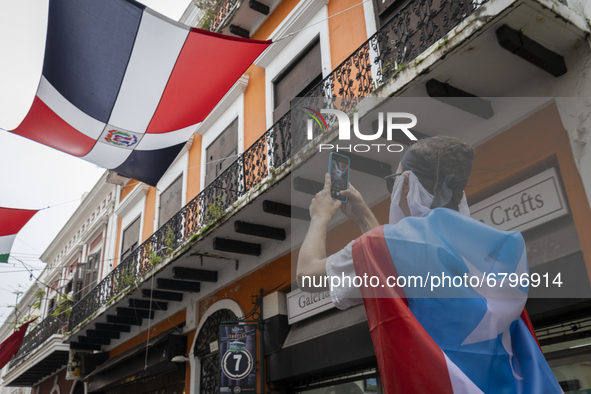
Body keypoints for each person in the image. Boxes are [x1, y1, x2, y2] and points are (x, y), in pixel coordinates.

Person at [297, 136, 562, 394]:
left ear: (408, 183)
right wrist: (365, 217)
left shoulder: (396, 244)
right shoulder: (492, 241)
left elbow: (308, 276)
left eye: (395, 182)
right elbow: (397, 265)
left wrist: (319, 216)